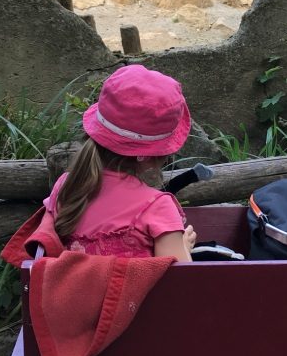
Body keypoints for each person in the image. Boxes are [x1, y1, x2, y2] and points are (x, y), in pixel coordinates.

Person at [45, 65, 197, 261]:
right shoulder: (157, 207)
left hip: (70, 292)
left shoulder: (66, 186)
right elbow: (181, 284)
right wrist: (183, 246)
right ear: (152, 154)